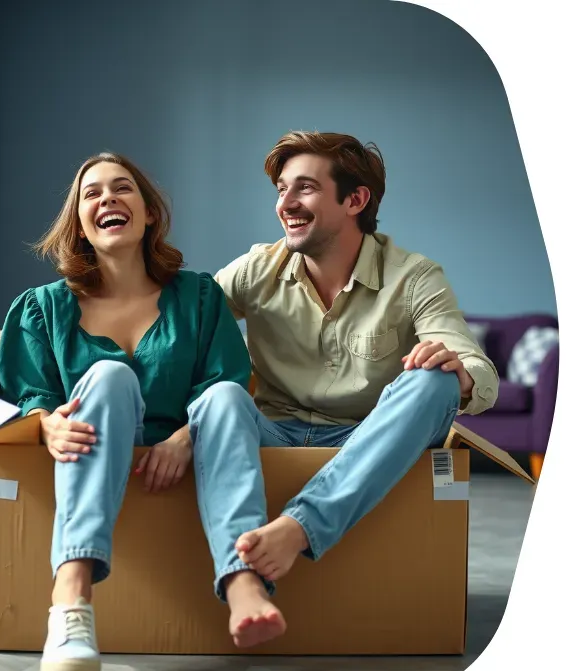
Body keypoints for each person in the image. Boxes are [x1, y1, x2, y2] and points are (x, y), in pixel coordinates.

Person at [193, 130, 500, 644]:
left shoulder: (415, 276)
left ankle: (298, 528)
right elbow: (182, 328)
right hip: (274, 433)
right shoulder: (256, 269)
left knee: (435, 381)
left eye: (305, 188)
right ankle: (244, 582)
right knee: (219, 398)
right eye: (281, 189)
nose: (285, 203)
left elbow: (477, 370)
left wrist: (458, 368)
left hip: (365, 442)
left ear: (355, 200)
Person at [0, 152, 284, 671]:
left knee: (224, 400)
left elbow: (226, 384)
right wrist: (45, 423)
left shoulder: (199, 297)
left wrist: (183, 438)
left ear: (149, 213)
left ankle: (242, 583)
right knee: (108, 377)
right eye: (92, 193)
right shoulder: (41, 308)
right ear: (80, 224)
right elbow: (27, 394)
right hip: (93, 451)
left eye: (122, 188)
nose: (107, 198)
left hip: (192, 453)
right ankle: (72, 598)